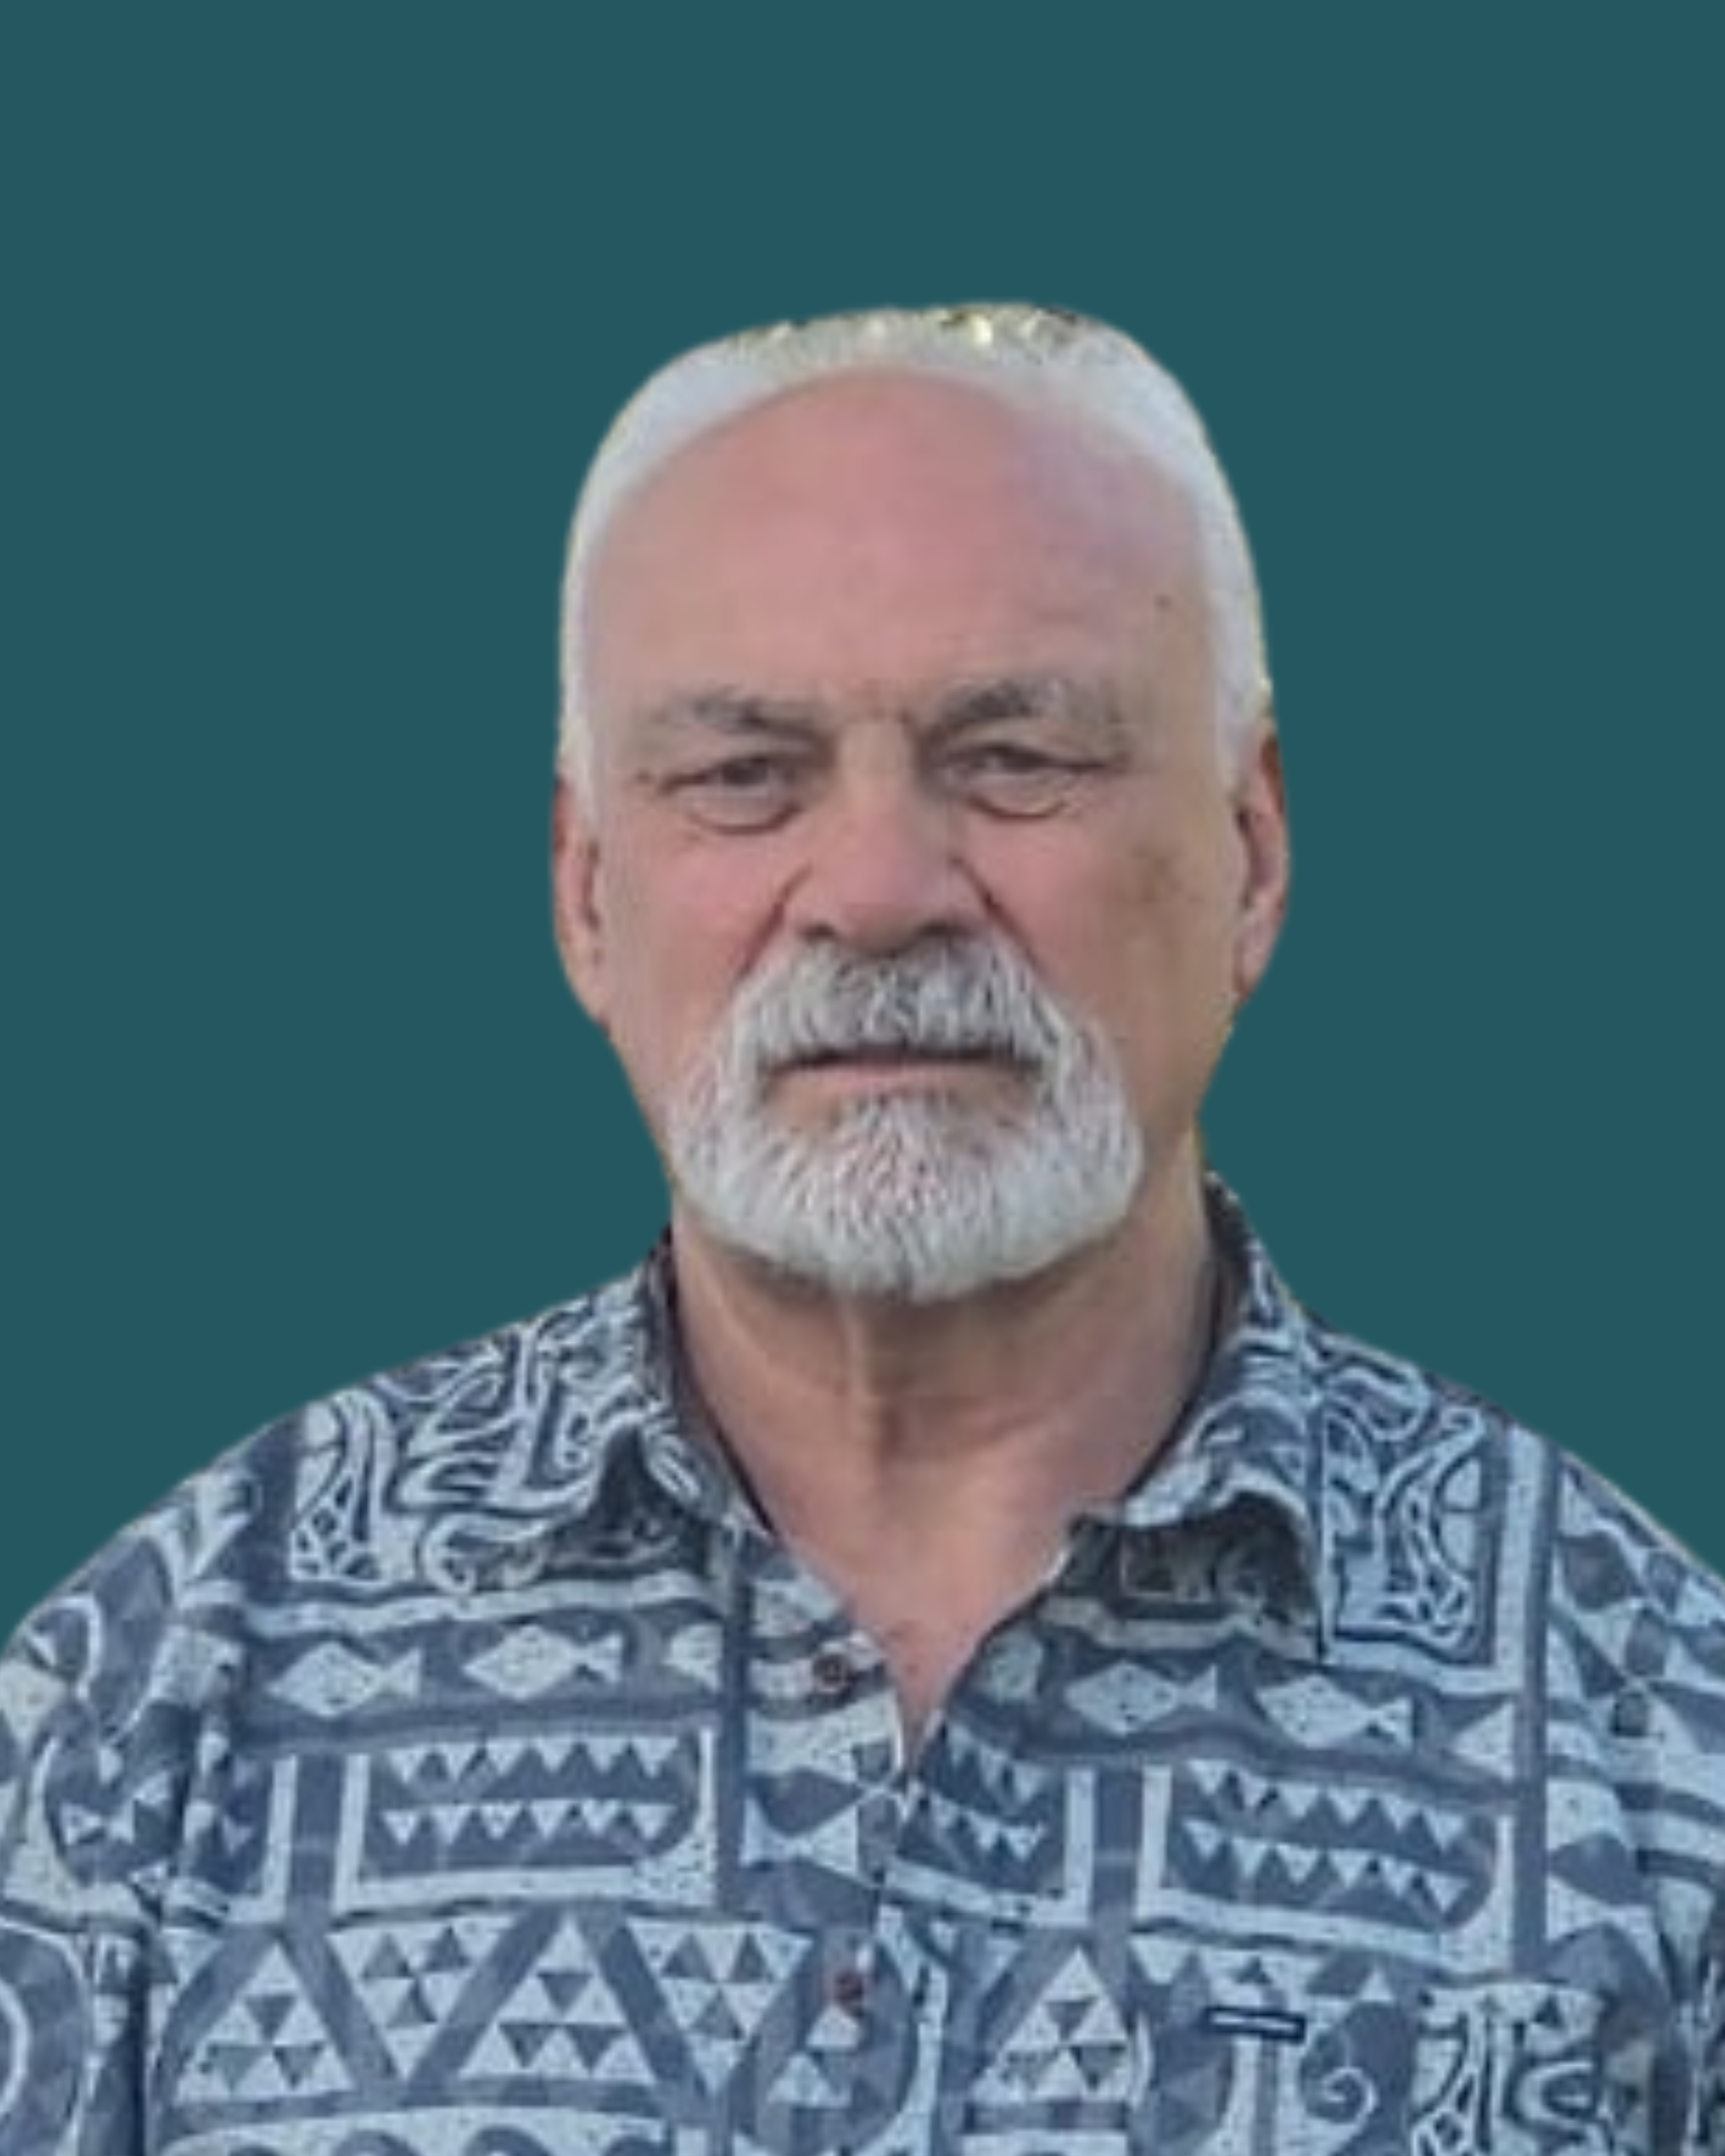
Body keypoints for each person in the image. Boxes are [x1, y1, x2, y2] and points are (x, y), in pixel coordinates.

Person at [2, 302, 1720, 2156]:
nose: (883, 890)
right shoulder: (162, 1693)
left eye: (1017, 753)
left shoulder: (1645, 1725)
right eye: (745, 773)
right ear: (587, 893)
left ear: (1253, 848)